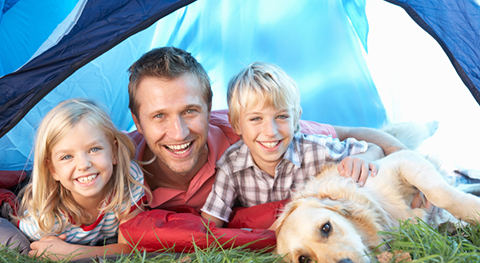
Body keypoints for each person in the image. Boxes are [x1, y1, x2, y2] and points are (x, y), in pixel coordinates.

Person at [127, 46, 407, 213]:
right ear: (137, 122)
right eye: (159, 116)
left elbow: (351, 133)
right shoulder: (112, 163)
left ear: (209, 107)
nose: (178, 133)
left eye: (190, 111)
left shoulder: (252, 132)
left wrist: (403, 162)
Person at [200, 62, 384, 228]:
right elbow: (211, 223)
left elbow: (374, 149)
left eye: (281, 117)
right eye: (256, 118)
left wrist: (363, 159)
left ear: (296, 119)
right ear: (237, 125)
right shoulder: (231, 166)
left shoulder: (315, 150)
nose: (270, 131)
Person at [11, 98, 150, 260]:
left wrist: (70, 253)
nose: (84, 165)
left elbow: (130, 248)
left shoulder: (128, 180)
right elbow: (25, 236)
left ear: (114, 152)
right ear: (53, 169)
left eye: (94, 149)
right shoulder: (43, 217)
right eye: (67, 157)